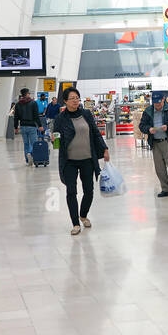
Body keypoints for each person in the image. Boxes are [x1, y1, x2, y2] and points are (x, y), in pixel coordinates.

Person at [53, 85, 109, 235]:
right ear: (65, 101)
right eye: (72, 99)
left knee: (89, 191)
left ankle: (83, 215)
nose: (75, 101)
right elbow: (56, 140)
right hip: (69, 161)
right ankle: (75, 224)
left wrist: (105, 148)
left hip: (87, 159)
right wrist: (53, 139)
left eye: (77, 98)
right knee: (71, 192)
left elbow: (96, 133)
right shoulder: (60, 119)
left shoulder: (86, 114)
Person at [139, 92, 168, 198]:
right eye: (155, 103)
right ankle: (166, 189)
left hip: (167, 141)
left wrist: (167, 127)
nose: (157, 105)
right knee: (159, 168)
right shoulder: (148, 111)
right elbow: (141, 125)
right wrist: (149, 129)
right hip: (155, 143)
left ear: (163, 100)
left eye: (159, 103)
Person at [13, 88, 42, 166]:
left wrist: (16, 127)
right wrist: (40, 126)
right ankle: (29, 153)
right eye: (29, 93)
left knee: (26, 143)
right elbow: (36, 116)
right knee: (34, 143)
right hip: (32, 126)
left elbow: (16, 117)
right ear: (27, 94)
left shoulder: (18, 104)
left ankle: (27, 160)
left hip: (23, 126)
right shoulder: (33, 103)